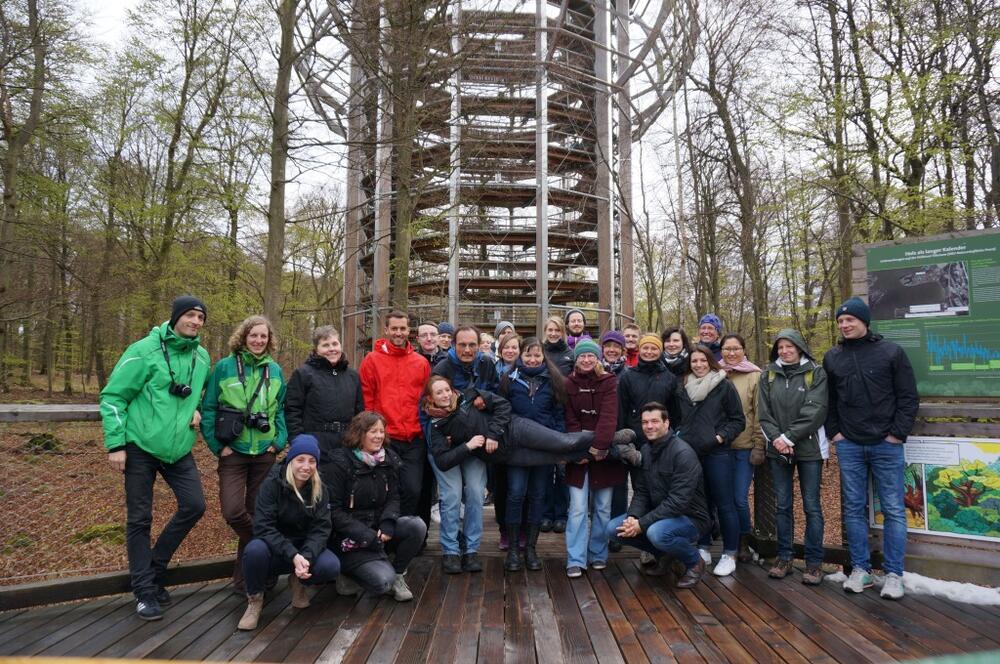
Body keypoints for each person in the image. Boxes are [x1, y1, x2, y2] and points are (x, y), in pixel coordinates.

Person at [100, 295, 211, 620]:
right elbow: (112, 397)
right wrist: (115, 445)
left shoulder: (202, 357)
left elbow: (199, 395)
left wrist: (199, 411)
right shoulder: (143, 351)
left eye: (200, 317)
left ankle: (154, 568)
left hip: (178, 449)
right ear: (176, 317)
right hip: (140, 447)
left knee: (195, 505)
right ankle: (145, 591)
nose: (195, 322)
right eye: (190, 315)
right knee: (139, 519)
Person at [422, 375, 597, 573]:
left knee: (565, 443)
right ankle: (603, 451)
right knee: (558, 456)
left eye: (447, 389)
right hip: (508, 455)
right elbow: (442, 461)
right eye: (439, 392)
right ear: (430, 398)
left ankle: (608, 439)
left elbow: (503, 406)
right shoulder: (436, 425)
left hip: (515, 430)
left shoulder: (469, 396)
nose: (445, 395)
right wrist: (467, 447)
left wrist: (492, 434)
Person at [824, 297, 918, 599]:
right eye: (840, 321)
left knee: (893, 509)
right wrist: (835, 433)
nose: (845, 325)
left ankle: (893, 574)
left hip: (886, 444)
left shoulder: (891, 352)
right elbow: (829, 401)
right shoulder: (833, 357)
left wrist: (897, 434)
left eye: (850, 320)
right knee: (853, 508)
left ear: (864, 321)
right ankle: (861, 570)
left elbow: (908, 397)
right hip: (850, 444)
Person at [201, 315, 288, 594]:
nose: (258, 341)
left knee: (256, 513)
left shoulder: (273, 370)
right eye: (253, 335)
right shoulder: (224, 367)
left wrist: (279, 441)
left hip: (264, 452)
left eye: (263, 336)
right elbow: (210, 408)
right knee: (234, 511)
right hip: (233, 452)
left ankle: (245, 580)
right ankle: (272, 552)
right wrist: (218, 446)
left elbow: (281, 408)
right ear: (243, 337)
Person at [237, 435, 340, 630]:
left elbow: (321, 528)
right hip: (276, 548)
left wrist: (306, 556)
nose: (306, 466)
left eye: (312, 461)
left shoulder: (320, 488)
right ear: (290, 460)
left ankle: (299, 582)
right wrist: (292, 554)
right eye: (300, 460)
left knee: (330, 566)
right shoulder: (271, 484)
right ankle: (255, 601)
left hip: (304, 548)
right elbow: (263, 526)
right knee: (253, 550)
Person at [606, 402, 710, 588]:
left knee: (657, 533)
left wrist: (642, 524)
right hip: (661, 514)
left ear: (666, 423)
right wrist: (633, 517)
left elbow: (678, 502)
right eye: (645, 422)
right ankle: (665, 555)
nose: (649, 426)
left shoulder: (683, 453)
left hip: (691, 518)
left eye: (655, 421)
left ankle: (695, 562)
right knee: (614, 528)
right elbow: (642, 491)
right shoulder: (646, 450)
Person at [326, 411, 426, 602]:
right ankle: (346, 573)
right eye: (373, 431)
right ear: (359, 434)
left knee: (416, 526)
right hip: (350, 539)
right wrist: (365, 535)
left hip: (378, 530)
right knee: (382, 583)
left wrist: (388, 522)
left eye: (381, 431)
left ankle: (397, 573)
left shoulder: (388, 460)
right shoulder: (339, 464)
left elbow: (394, 497)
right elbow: (334, 512)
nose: (379, 436)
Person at [758, 329, 829, 585]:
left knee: (811, 505)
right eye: (780, 347)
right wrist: (778, 440)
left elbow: (816, 410)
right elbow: (764, 413)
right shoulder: (768, 375)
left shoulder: (815, 373)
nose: (785, 351)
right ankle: (784, 557)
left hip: (809, 449)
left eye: (789, 346)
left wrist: (788, 437)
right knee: (782, 505)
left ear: (799, 347)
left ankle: (813, 563)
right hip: (778, 450)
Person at [499, 337, 566, 572]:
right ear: (520, 356)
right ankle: (514, 549)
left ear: (543, 356)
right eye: (528, 354)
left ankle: (531, 548)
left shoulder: (553, 380)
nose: (532, 358)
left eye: (537, 355)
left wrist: (558, 444)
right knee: (516, 494)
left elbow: (559, 415)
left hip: (544, 449)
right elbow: (502, 412)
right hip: (517, 448)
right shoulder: (508, 379)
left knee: (538, 495)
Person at [359, 311, 432, 528]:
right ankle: (384, 535)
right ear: (387, 330)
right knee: (384, 490)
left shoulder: (420, 363)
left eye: (403, 328)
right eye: (395, 328)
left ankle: (405, 534)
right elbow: (367, 399)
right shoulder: (372, 360)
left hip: (414, 438)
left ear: (409, 331)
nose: (399, 333)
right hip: (386, 438)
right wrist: (372, 434)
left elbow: (427, 400)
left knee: (412, 489)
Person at [680, 345, 746, 577]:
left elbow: (738, 420)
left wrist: (719, 437)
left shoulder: (723, 385)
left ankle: (729, 553)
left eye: (702, 361)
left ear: (710, 362)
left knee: (725, 504)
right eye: (694, 361)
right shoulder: (683, 386)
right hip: (691, 454)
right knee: (700, 503)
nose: (698, 365)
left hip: (718, 453)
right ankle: (703, 546)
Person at [564, 339, 625, 578]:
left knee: (602, 507)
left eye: (591, 356)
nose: (586, 360)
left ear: (597, 358)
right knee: (578, 508)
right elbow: (570, 419)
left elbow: (609, 416)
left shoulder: (609, 381)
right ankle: (575, 558)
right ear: (576, 359)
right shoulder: (569, 383)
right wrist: (580, 449)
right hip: (577, 454)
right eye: (582, 357)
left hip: (604, 453)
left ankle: (598, 553)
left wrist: (599, 447)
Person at [614, 334, 683, 526]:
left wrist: (673, 437)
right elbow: (621, 409)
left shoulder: (669, 378)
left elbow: (675, 413)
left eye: (654, 348)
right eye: (646, 348)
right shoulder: (628, 376)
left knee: (658, 488)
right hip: (634, 441)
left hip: (661, 443)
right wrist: (621, 441)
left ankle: (654, 532)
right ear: (640, 349)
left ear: (660, 351)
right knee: (633, 488)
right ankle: (626, 529)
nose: (649, 351)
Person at [285, 325, 364, 484]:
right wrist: (298, 442)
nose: (331, 349)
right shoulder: (303, 374)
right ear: (316, 349)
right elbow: (292, 410)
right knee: (317, 489)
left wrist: (357, 439)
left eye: (335, 344)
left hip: (346, 443)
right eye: (325, 345)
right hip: (315, 442)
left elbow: (359, 411)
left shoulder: (352, 376)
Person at [718, 333, 765, 563]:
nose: (731, 353)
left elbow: (759, 413)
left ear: (744, 350)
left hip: (745, 446)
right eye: (727, 349)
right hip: (719, 448)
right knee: (723, 498)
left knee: (739, 498)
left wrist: (759, 445)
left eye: (736, 348)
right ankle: (729, 542)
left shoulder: (754, 375)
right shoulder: (715, 374)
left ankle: (744, 540)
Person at [541, 315, 573, 532]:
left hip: (564, 415)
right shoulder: (539, 353)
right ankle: (545, 513)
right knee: (544, 468)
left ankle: (561, 513)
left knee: (562, 469)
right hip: (544, 415)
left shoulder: (570, 356)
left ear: (563, 333)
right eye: (550, 330)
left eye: (557, 330)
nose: (553, 334)